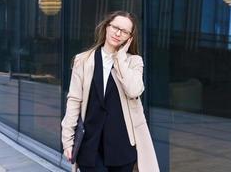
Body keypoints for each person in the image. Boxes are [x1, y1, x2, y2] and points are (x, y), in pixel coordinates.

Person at [61, 10, 159, 172]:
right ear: (106, 26)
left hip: (122, 147)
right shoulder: (83, 60)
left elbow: (134, 90)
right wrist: (68, 140)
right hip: (90, 145)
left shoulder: (134, 62)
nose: (118, 33)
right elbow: (74, 101)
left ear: (130, 37)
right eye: (115, 27)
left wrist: (120, 59)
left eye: (125, 31)